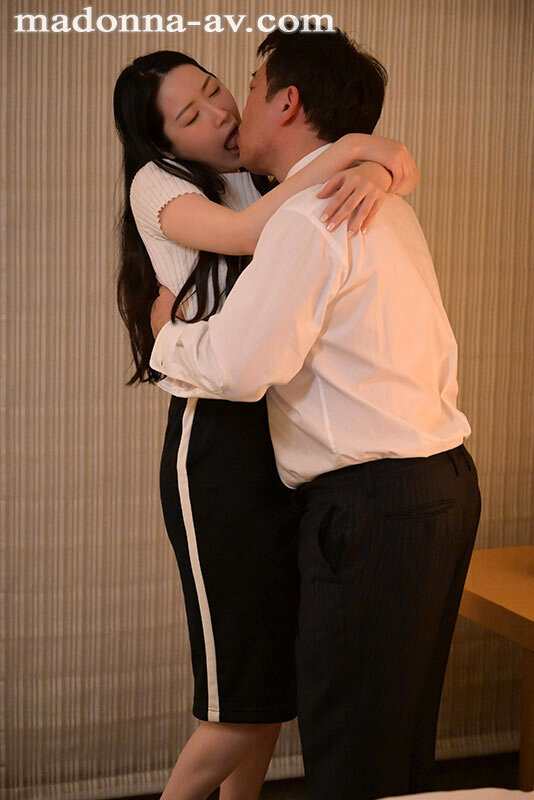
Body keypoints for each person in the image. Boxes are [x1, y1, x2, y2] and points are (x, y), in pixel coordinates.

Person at [149, 24, 482, 800]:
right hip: (442, 486)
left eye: (247, 87)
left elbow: (240, 367)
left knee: (353, 752)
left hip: (375, 505)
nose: (236, 106)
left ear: (287, 102)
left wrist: (166, 336)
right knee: (398, 741)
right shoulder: (378, 200)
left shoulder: (307, 217)